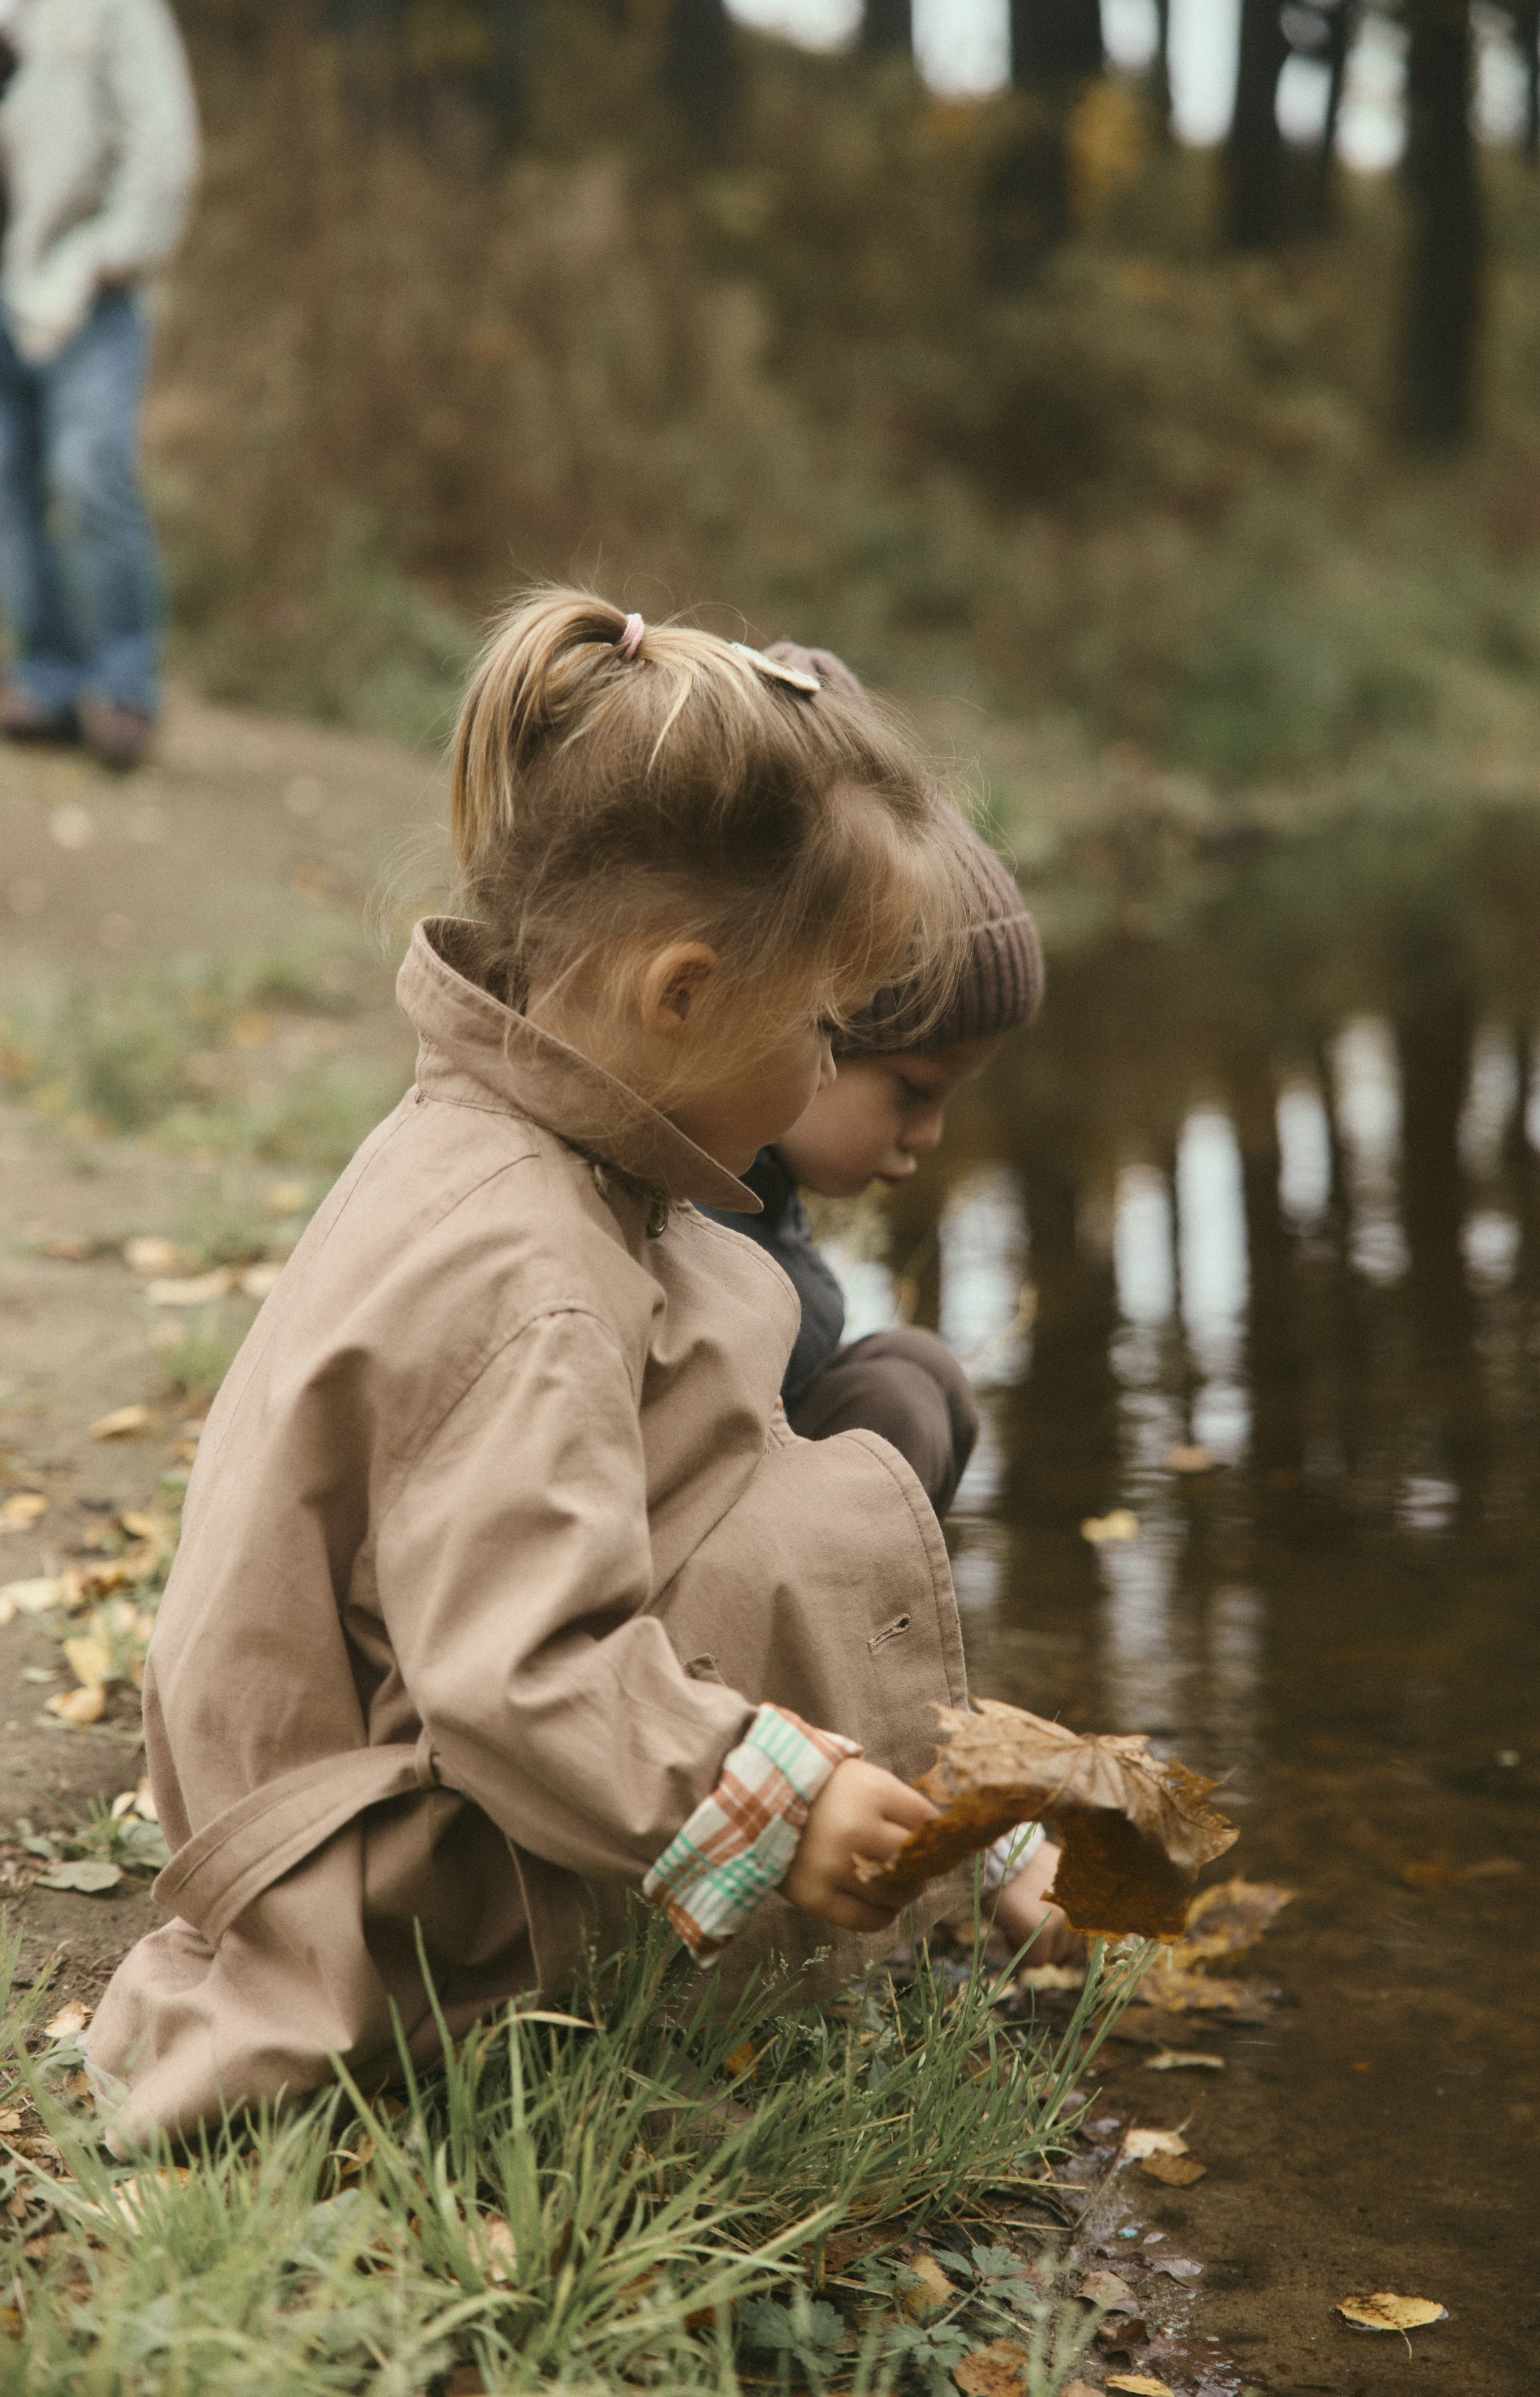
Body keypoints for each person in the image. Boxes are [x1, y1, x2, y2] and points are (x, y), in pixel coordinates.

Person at [87, 592, 1072, 2149]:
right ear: (680, 993)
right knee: (807, 1524)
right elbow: (518, 1667)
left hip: (359, 1789)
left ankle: (939, 1837)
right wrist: (775, 1802)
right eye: (821, 1025)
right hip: (377, 1887)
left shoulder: (523, 1142)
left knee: (786, 1490)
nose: (826, 1067)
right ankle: (887, 1848)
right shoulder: (525, 1266)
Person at [704, 645, 1044, 1521]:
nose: (928, 1136)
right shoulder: (672, 1208)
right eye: (913, 1091)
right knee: (897, 1400)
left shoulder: (749, 1175)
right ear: (804, 1025)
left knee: (920, 1375)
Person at [0, 0, 198, 768]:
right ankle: (46, 682)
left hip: (91, 289)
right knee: (9, 487)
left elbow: (164, 142)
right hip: (6, 282)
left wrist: (103, 260)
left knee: (89, 479)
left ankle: (123, 690)